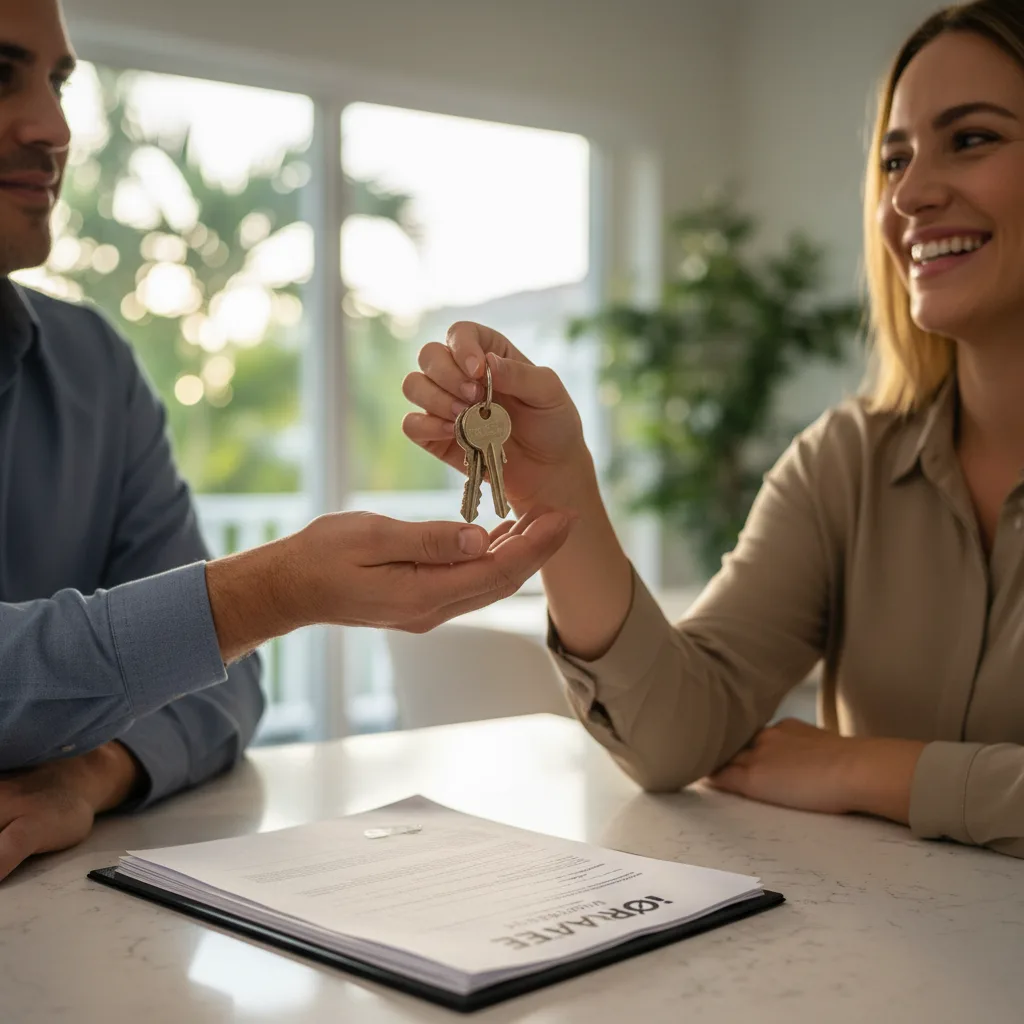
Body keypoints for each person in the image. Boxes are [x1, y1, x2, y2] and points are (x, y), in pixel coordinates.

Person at [404, 0, 1024, 860]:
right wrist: (560, 489)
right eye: (894, 158)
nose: (911, 194)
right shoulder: (844, 465)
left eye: (973, 138)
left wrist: (868, 771)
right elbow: (675, 736)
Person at [0, 0, 574, 882]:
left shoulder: (94, 370)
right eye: (1, 75)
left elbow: (224, 686)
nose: (54, 126)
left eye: (59, 79)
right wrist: (257, 597)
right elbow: (214, 641)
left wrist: (92, 771)